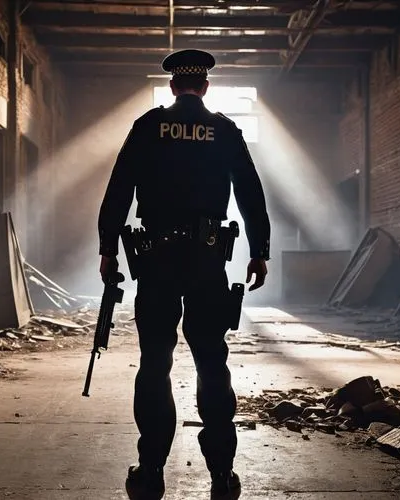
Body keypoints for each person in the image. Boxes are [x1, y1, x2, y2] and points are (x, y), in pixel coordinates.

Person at [98, 49, 270, 500]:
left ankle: (151, 471)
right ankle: (221, 476)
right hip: (208, 262)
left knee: (156, 363)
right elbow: (251, 192)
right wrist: (259, 251)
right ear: (205, 87)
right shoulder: (225, 130)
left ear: (172, 86)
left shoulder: (148, 127)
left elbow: (118, 190)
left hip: (155, 264)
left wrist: (107, 250)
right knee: (212, 362)